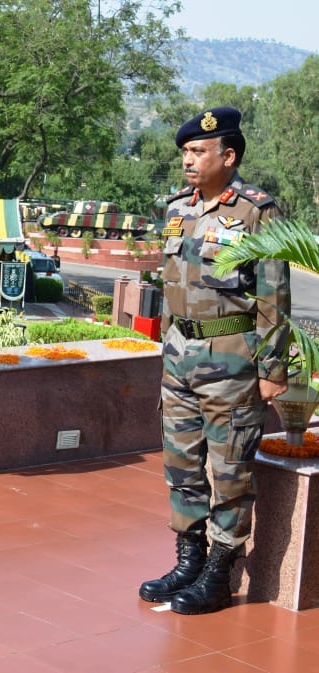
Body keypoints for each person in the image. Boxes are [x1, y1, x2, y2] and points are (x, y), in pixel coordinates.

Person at [139, 107, 291, 615]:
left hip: (230, 360)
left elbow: (273, 296)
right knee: (181, 465)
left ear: (228, 155)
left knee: (229, 471)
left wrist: (272, 370)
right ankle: (189, 560)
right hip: (179, 356)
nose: (188, 160)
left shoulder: (256, 212)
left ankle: (219, 575)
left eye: (198, 151)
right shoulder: (176, 209)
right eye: (184, 151)